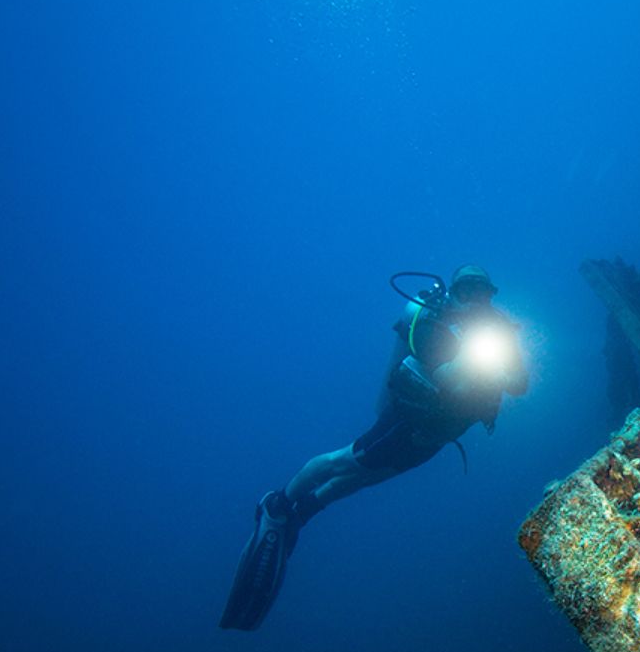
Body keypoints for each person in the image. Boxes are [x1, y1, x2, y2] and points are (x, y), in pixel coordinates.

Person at [220, 264, 528, 630]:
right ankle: (278, 503)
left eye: (483, 293)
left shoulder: (498, 331)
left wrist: (503, 361)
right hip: (406, 422)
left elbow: (519, 384)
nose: (475, 300)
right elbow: (445, 377)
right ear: (454, 292)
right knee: (345, 461)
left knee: (368, 477)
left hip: (437, 436)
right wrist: (478, 362)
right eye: (467, 291)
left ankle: (305, 512)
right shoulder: (435, 322)